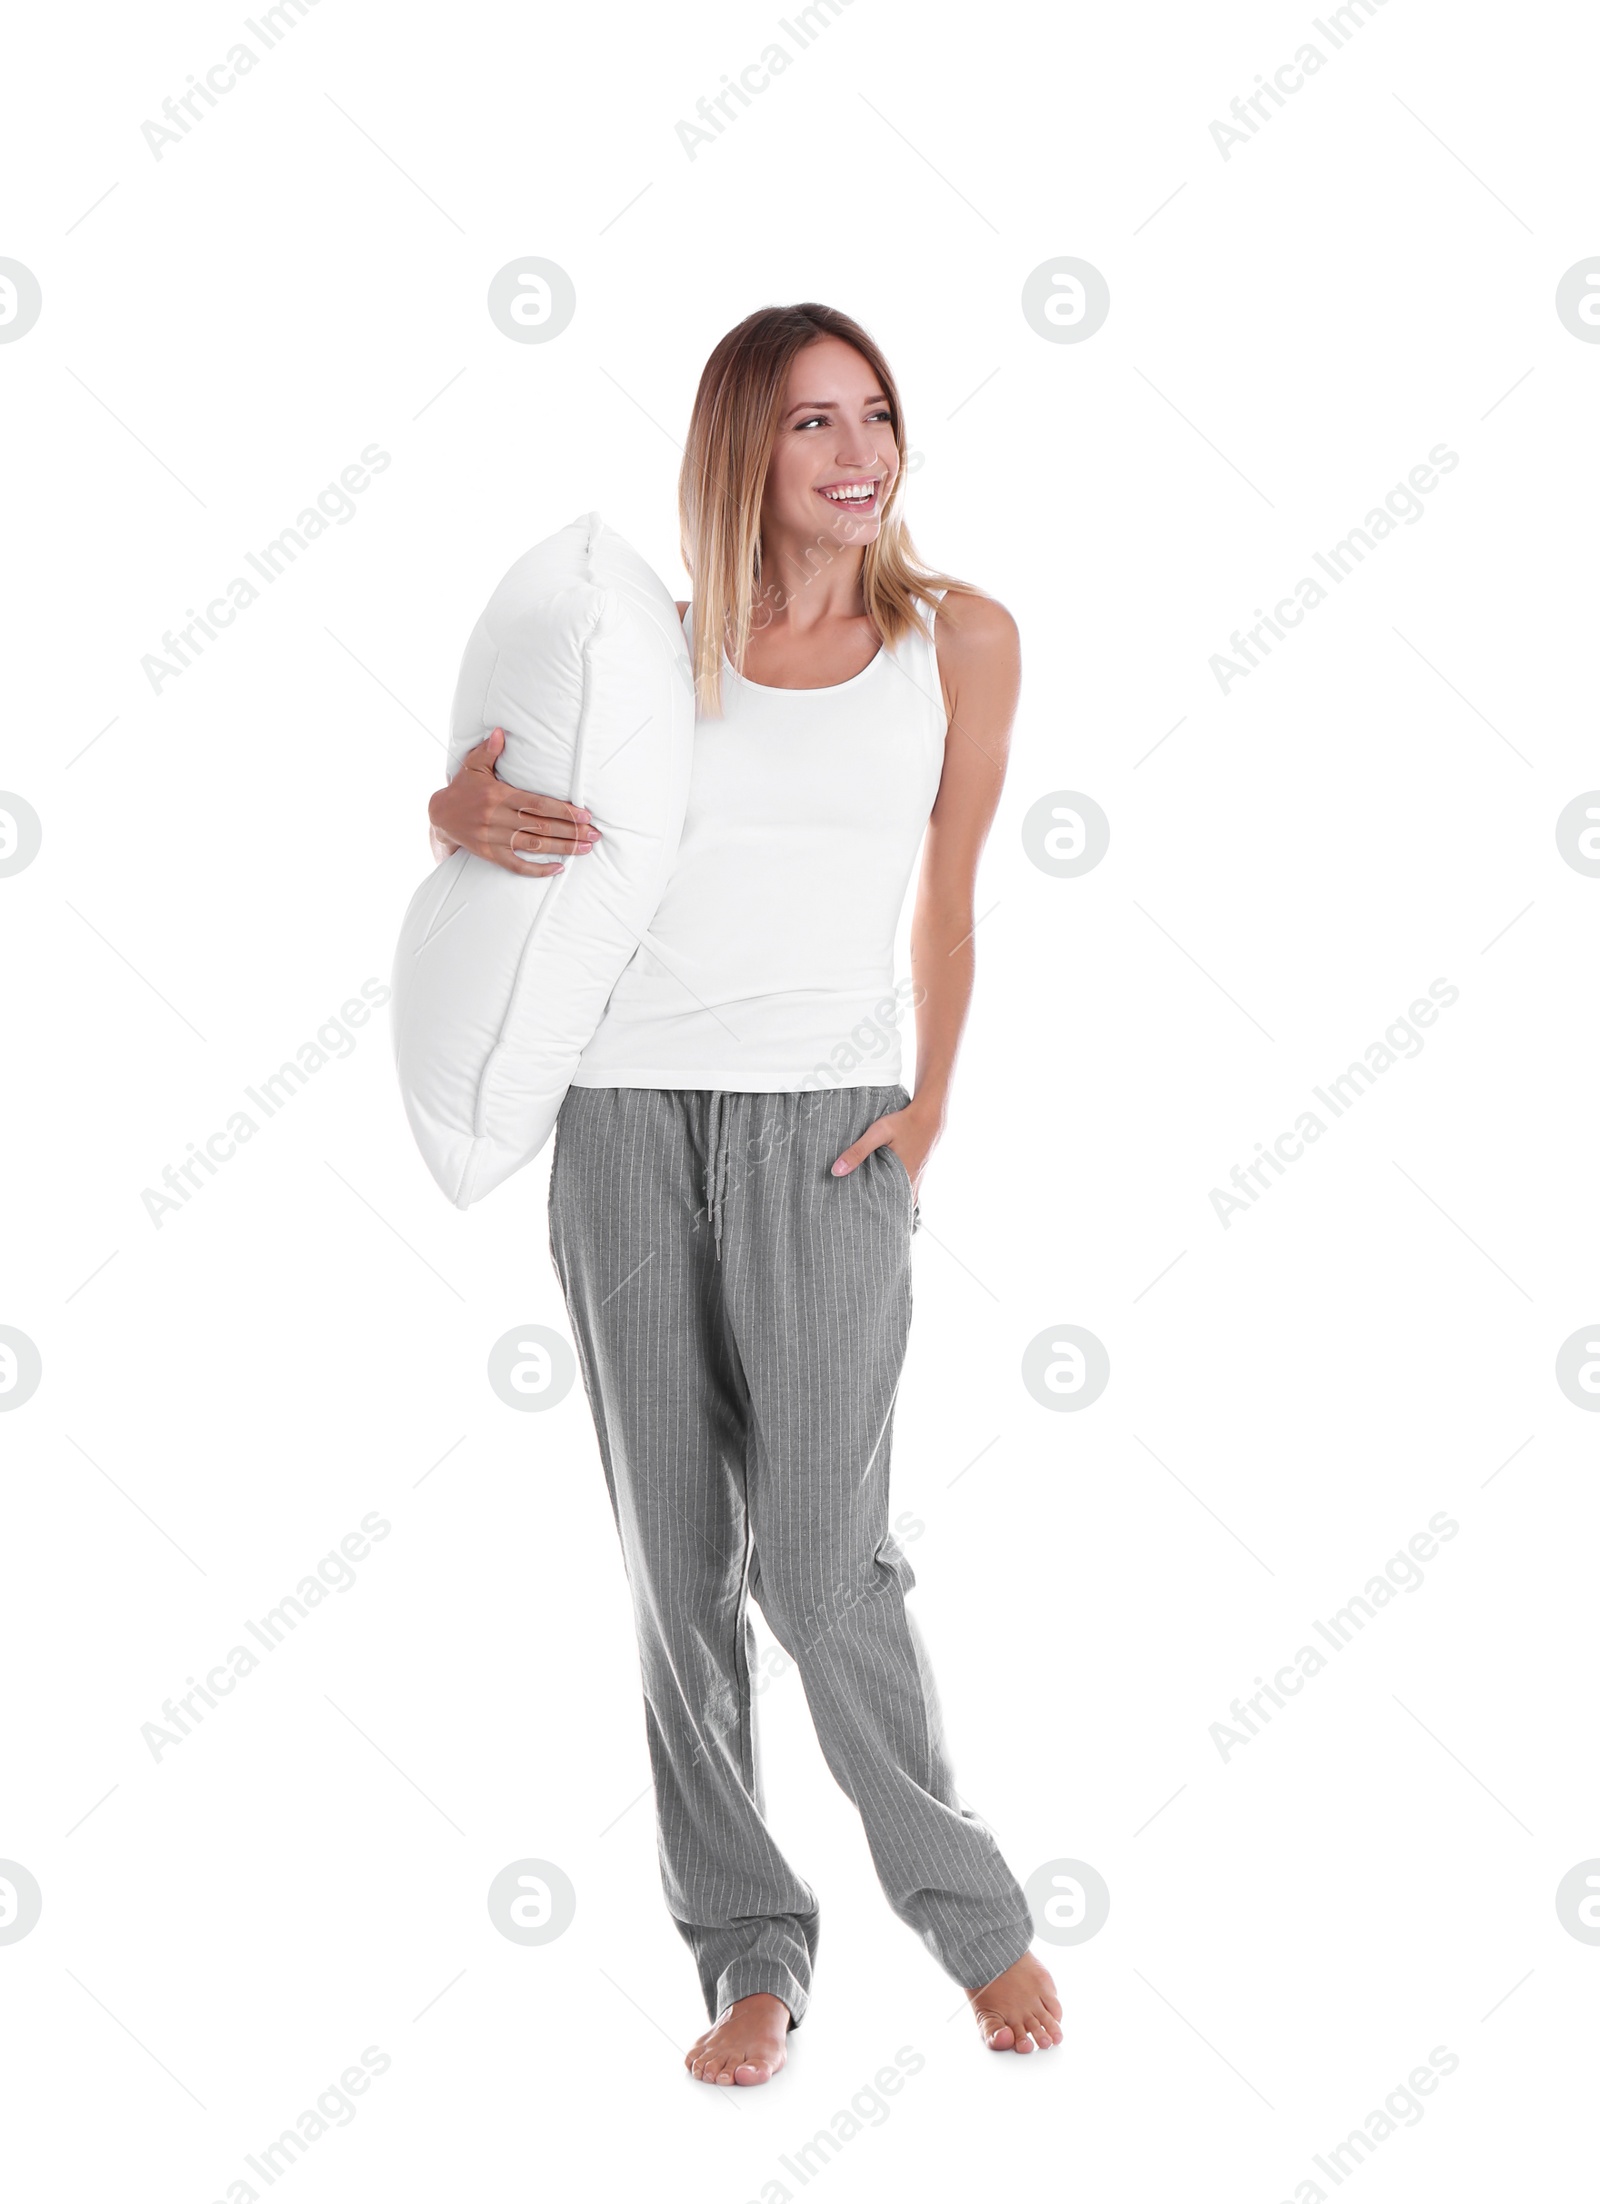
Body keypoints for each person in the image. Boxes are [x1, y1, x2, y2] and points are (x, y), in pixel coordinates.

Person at [428, 303, 1062, 2086]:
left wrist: (928, 1109)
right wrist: (452, 818)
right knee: (679, 1565)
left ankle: (974, 1921)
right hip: (622, 1125)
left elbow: (947, 897)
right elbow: (523, 855)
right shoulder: (648, 663)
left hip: (829, 1129)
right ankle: (747, 1950)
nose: (861, 454)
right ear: (741, 450)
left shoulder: (961, 640)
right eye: (814, 425)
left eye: (878, 416)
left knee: (822, 1562)